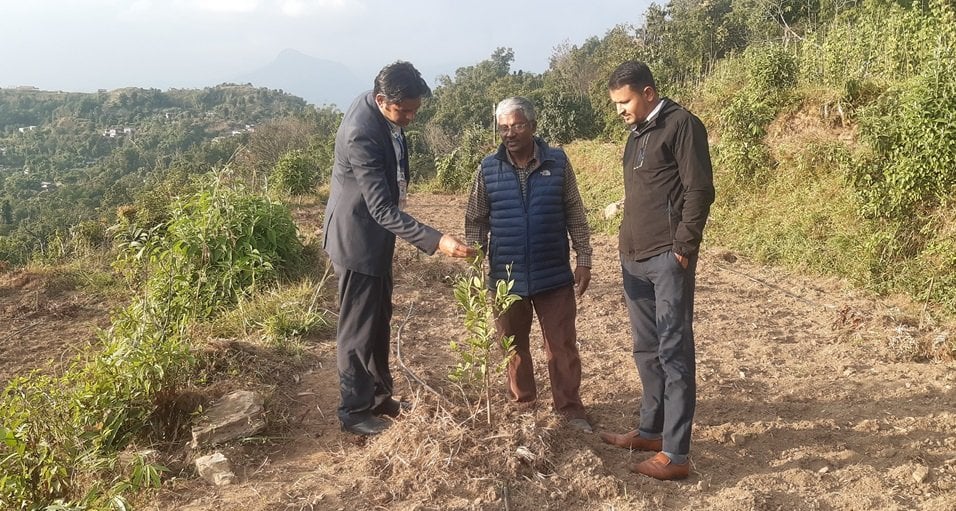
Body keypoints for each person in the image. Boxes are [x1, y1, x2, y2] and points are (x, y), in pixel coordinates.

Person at [323, 61, 475, 436]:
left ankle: (379, 396)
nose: (409, 117)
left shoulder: (385, 116)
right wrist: (438, 240)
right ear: (380, 100)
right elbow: (379, 209)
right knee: (357, 330)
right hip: (356, 239)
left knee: (379, 319)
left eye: (414, 110)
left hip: (377, 239)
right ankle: (354, 412)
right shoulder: (362, 131)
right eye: (402, 110)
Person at [599, 61, 715, 480]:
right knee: (645, 350)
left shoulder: (682, 124)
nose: (620, 111)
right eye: (615, 104)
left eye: (624, 101)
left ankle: (676, 455)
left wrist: (683, 248)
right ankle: (651, 431)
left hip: (668, 258)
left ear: (648, 93)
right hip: (634, 258)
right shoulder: (635, 134)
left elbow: (699, 189)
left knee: (674, 352)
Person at [465, 96, 594, 433]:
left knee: (561, 345)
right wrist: (478, 264)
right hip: (506, 278)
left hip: (553, 275)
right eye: (503, 127)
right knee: (513, 346)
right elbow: (476, 219)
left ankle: (570, 410)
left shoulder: (558, 163)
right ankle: (524, 405)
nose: (509, 133)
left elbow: (575, 213)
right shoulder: (488, 168)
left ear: (533, 126)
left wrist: (584, 258)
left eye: (517, 125)